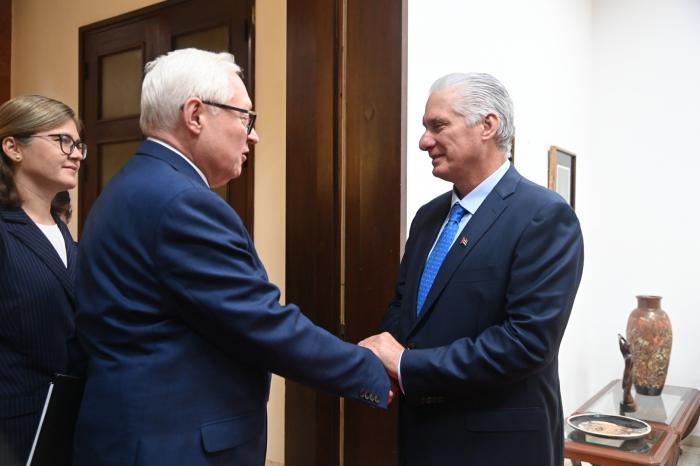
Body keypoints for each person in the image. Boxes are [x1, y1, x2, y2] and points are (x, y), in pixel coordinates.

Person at [72, 48, 391, 466]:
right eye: (245, 117)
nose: (252, 136)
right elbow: (259, 322)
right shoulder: (182, 202)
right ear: (195, 115)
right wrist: (370, 369)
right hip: (173, 446)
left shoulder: (133, 184)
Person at [359, 73, 584, 466]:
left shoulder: (544, 217)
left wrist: (408, 365)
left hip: (497, 447)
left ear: (487, 125)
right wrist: (384, 362)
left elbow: (527, 342)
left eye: (438, 126)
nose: (423, 141)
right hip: (422, 436)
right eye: (425, 128)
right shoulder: (428, 218)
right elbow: (403, 307)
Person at [0, 95, 86, 465]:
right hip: (13, 430)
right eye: (62, 141)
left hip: (67, 422)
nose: (76, 154)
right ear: (13, 147)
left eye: (78, 144)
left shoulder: (67, 236)